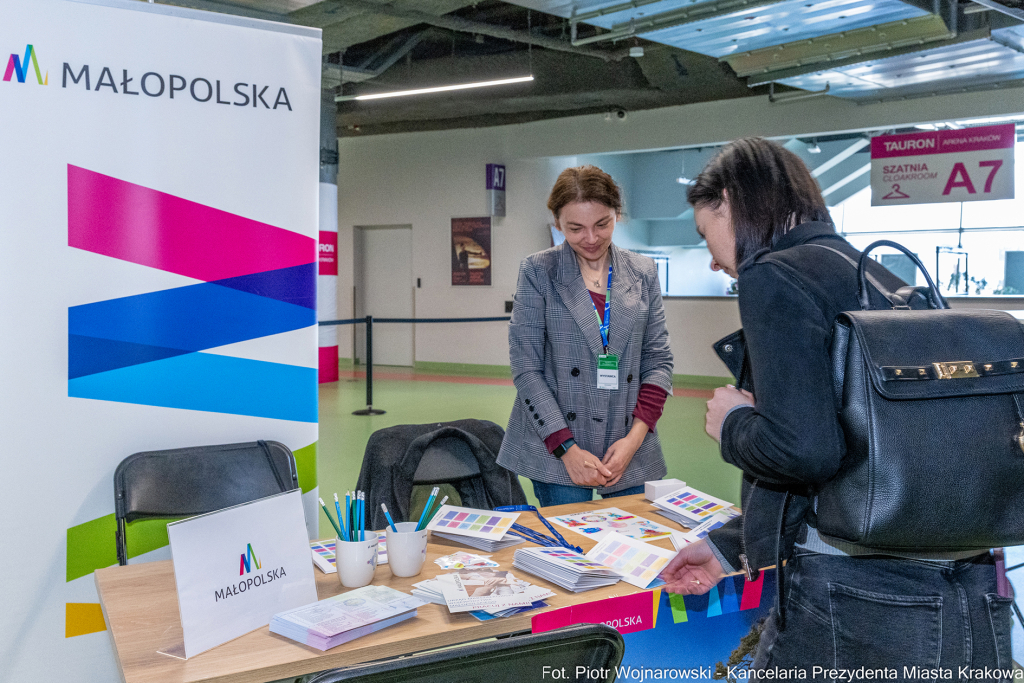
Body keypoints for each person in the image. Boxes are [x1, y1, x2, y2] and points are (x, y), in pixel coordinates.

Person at [658, 138, 1010, 669]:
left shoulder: (773, 275)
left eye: (708, 234)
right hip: (960, 586)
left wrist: (733, 424)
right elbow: (866, 455)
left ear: (728, 202)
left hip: (856, 597)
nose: (712, 260)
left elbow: (807, 452)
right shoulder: (879, 277)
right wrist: (733, 543)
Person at [497, 165, 674, 507]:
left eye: (602, 224)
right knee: (571, 552)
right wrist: (567, 449)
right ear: (557, 223)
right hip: (558, 446)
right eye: (575, 228)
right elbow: (527, 369)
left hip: (628, 443)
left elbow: (658, 360)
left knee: (631, 547)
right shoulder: (538, 271)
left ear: (616, 215)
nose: (591, 239)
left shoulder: (643, 271)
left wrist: (634, 440)